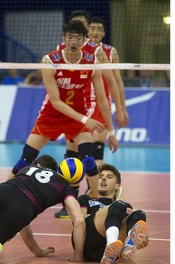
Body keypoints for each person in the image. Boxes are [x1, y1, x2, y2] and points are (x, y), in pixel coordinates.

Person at [7, 21, 118, 200]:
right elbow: (56, 102)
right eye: (70, 37)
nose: (73, 41)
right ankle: (4, 194)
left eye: (78, 38)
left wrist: (111, 132)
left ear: (84, 41)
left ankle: (100, 203)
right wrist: (85, 120)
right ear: (63, 39)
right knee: (25, 160)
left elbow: (103, 100)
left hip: (77, 117)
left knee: (89, 161)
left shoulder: (91, 63)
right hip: (51, 115)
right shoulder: (50, 61)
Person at [55, 16, 128, 218]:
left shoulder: (100, 52)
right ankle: (71, 201)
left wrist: (121, 108)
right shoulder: (63, 50)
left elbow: (114, 82)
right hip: (77, 108)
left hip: (97, 106)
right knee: (72, 156)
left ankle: (99, 198)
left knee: (93, 156)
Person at [73, 163, 149, 264]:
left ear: (117, 186)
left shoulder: (124, 206)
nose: (103, 179)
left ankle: (128, 246)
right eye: (101, 177)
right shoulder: (85, 199)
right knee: (118, 206)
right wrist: (105, 213)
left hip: (99, 253)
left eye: (109, 177)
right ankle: (112, 245)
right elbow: (79, 221)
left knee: (139, 214)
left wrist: (142, 240)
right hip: (86, 241)